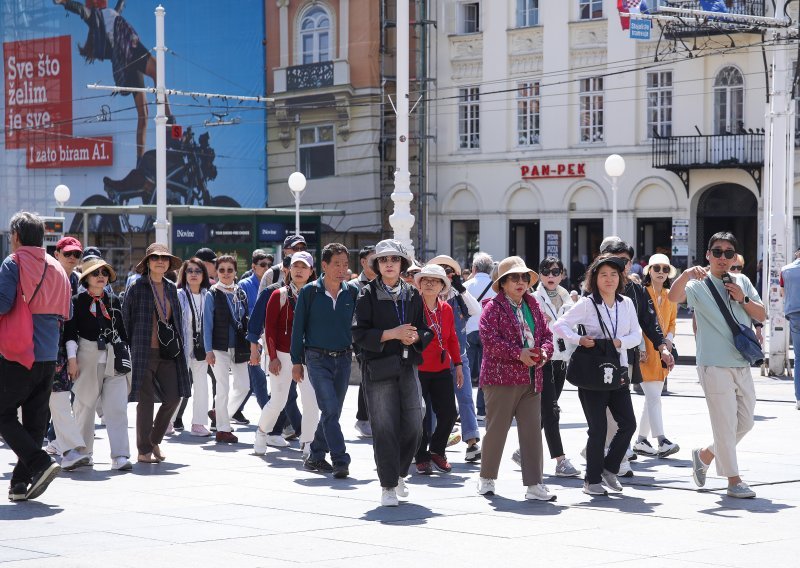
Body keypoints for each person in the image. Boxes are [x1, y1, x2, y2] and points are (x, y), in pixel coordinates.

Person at [669, 232, 765, 498]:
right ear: (708, 255)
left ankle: (706, 454)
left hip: (742, 361)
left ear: (735, 257)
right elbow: (673, 298)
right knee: (724, 424)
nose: (723, 257)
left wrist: (742, 299)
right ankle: (734, 481)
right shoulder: (697, 283)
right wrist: (686, 274)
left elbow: (762, 313)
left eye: (729, 253)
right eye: (718, 252)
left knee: (745, 422)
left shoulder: (742, 281)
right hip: (713, 363)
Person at [553, 254, 641, 497]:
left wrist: (619, 341)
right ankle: (591, 480)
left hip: (618, 368)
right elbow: (559, 325)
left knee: (628, 424)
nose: (609, 279)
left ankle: (610, 468)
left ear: (620, 277)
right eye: (603, 275)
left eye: (614, 274)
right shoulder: (587, 303)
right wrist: (578, 339)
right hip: (593, 371)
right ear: (595, 278)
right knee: (598, 428)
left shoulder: (626, 303)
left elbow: (637, 335)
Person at [352, 239, 431, 506]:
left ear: (402, 264)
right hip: (379, 367)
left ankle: (398, 473)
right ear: (376, 264)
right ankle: (387, 485)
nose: (389, 264)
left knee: (415, 423)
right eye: (384, 260)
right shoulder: (367, 294)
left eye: (394, 260)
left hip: (408, 365)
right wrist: (391, 335)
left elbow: (426, 329)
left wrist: (415, 337)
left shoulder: (412, 294)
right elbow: (358, 334)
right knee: (384, 426)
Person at [0, 213, 72, 501]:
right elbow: (67, 313)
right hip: (48, 355)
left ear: (16, 235)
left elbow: (4, 303)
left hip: (18, 352)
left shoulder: (13, 262)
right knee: (33, 421)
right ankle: (19, 484)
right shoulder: (56, 267)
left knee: (2, 412)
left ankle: (40, 462)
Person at [477, 256, 556, 501]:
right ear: (502, 283)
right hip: (501, 379)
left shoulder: (533, 305)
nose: (521, 282)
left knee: (532, 431)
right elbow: (489, 341)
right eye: (514, 278)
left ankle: (534, 484)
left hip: (532, 377)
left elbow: (547, 335)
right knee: (497, 430)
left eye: (524, 277)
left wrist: (544, 352)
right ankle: (486, 477)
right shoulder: (492, 307)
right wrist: (517, 353)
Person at [54, 0, 171, 160]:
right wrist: (64, 2)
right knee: (157, 69)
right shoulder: (94, 16)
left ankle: (140, 161)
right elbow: (81, 10)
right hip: (128, 47)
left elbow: (119, 7)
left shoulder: (108, 14)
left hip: (128, 59)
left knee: (143, 114)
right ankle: (170, 123)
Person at [291, 243, 359, 479]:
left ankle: (316, 454)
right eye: (336, 264)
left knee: (333, 413)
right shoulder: (309, 292)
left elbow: (358, 327)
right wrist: (296, 361)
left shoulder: (352, 292)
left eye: (345, 264)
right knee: (329, 409)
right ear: (324, 265)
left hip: (343, 359)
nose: (341, 269)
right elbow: (298, 328)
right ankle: (341, 459)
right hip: (316, 358)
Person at [122, 243, 191, 464]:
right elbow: (125, 319)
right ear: (148, 263)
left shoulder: (172, 288)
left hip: (168, 352)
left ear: (169, 263)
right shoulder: (137, 287)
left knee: (174, 397)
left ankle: (153, 439)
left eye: (164, 258)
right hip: (142, 351)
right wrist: (126, 350)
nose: (160, 261)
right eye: (155, 258)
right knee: (146, 402)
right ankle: (143, 451)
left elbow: (177, 321)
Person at [65, 257, 132, 471]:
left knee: (117, 408)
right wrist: (72, 360)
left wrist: (125, 356)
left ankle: (120, 455)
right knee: (84, 406)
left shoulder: (113, 300)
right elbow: (70, 333)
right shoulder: (76, 300)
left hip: (113, 358)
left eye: (104, 272)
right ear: (86, 278)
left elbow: (122, 332)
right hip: (86, 357)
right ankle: (83, 453)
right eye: (96, 273)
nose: (101, 276)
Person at [252, 251, 320, 457]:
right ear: (289, 269)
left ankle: (308, 443)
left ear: (311, 272)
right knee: (278, 402)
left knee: (310, 402)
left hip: (307, 356)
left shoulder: (317, 295)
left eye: (304, 267)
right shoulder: (278, 294)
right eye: (295, 266)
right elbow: (270, 328)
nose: (299, 270)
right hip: (281, 355)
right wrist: (272, 357)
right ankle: (262, 433)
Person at [523, 256, 581, 478]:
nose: (551, 276)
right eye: (546, 271)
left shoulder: (568, 297)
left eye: (555, 272)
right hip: (543, 358)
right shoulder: (533, 299)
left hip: (562, 358)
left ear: (562, 275)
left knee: (548, 409)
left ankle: (524, 451)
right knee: (551, 410)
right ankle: (560, 460)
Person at [428, 255, 482, 462]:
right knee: (432, 403)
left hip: (459, 355)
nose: (443, 274)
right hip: (433, 359)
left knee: (466, 398)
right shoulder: (426, 295)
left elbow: (477, 310)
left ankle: (472, 442)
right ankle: (431, 441)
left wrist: (460, 287)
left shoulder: (458, 296)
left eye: (447, 271)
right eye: (439, 270)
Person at [413, 264, 463, 475]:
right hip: (419, 368)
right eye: (425, 279)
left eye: (435, 280)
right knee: (420, 415)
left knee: (449, 413)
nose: (430, 283)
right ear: (420, 285)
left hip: (442, 367)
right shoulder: (414, 306)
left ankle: (437, 450)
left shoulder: (447, 309)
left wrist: (458, 365)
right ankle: (421, 456)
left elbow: (452, 338)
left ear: (443, 285)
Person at [633, 254, 680, 459]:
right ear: (649, 271)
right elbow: (638, 322)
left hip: (662, 351)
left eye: (665, 269)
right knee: (653, 397)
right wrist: (642, 346)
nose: (661, 272)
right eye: (656, 268)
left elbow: (672, 322)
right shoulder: (643, 293)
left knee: (652, 398)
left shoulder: (671, 295)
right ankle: (661, 440)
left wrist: (668, 340)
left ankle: (642, 440)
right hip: (645, 350)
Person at [204, 255, 251, 443]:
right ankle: (223, 429)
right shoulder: (212, 294)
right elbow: (206, 324)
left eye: (229, 270)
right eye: (221, 270)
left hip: (238, 346)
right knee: (222, 388)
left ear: (235, 272)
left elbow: (245, 319)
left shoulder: (240, 293)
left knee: (243, 386)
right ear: (216, 272)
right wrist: (208, 350)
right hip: (218, 347)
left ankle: (220, 413)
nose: (225, 273)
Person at [233, 249, 274, 423]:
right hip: (252, 336)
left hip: (267, 334)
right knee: (257, 377)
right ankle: (269, 415)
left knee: (252, 378)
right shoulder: (244, 284)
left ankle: (234, 409)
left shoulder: (272, 283)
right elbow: (242, 312)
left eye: (269, 265)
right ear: (253, 266)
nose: (266, 268)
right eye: (262, 265)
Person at [176, 258, 213, 436]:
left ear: (204, 275)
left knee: (202, 384)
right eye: (189, 271)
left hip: (202, 345)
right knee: (177, 384)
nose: (193, 274)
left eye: (198, 271)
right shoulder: (178, 294)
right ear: (184, 274)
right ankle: (167, 421)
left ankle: (198, 423)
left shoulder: (209, 295)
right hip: (181, 344)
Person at [464, 252, 495, 423]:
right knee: (485, 372)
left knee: (466, 373)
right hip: (488, 332)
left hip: (468, 330)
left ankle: (466, 410)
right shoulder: (496, 287)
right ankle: (482, 409)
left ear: (474, 268)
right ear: (490, 270)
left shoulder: (466, 285)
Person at [354, 245, 377, 438]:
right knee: (366, 376)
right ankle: (363, 419)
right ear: (363, 262)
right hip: (360, 340)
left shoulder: (383, 283)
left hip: (379, 336)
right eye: (373, 260)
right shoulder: (354, 286)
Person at [780, 246, 800, 410]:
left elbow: (782, 293)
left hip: (794, 313)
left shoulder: (785, 270)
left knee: (799, 357)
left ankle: (799, 399)